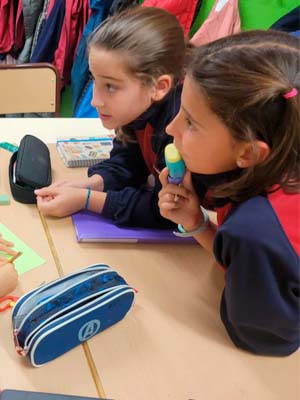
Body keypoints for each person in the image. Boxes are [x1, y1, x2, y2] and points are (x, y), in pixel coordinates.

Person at [158, 30, 300, 356]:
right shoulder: (280, 160)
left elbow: (265, 340)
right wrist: (196, 223)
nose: (171, 128)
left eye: (191, 122)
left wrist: (237, 251)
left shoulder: (255, 232)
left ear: (248, 153)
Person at [35, 6, 186, 228]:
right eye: (95, 80)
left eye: (111, 86)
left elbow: (167, 210)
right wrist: (87, 185)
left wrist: (85, 200)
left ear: (159, 86)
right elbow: (128, 163)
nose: (95, 100)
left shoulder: (180, 127)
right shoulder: (139, 110)